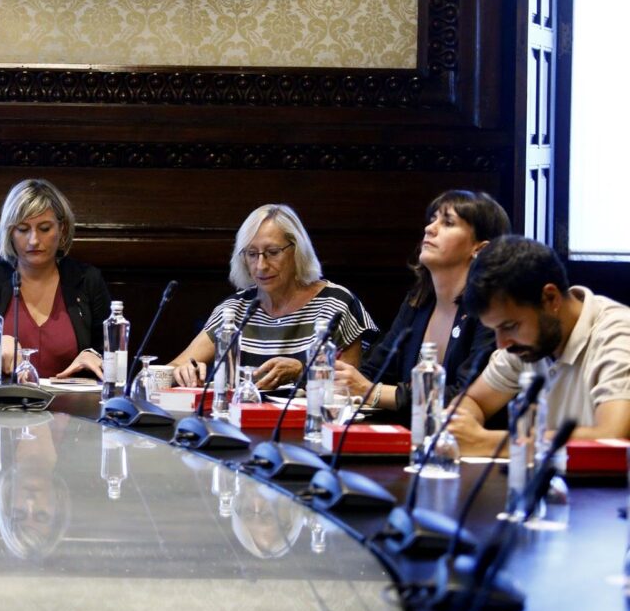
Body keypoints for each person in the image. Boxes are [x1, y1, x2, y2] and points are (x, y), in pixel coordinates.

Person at [447, 235, 630, 456]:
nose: (501, 343)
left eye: (509, 326)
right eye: (495, 329)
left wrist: (486, 442)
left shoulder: (618, 334)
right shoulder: (526, 342)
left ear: (551, 298)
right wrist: (460, 425)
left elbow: (613, 437)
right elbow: (473, 400)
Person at [334, 190, 511, 415]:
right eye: (432, 219)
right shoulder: (418, 302)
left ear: (480, 249)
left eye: (447, 222)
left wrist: (373, 392)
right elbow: (374, 371)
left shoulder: (492, 312)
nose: (430, 228)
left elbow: (466, 396)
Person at [169, 204, 378, 390]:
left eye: (273, 252)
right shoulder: (234, 309)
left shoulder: (335, 303)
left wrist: (301, 371)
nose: (261, 265)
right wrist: (183, 371)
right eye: (252, 254)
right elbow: (173, 368)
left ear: (297, 251)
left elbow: (353, 387)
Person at [0, 179, 111, 379]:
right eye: (23, 229)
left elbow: (111, 352)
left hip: (71, 406)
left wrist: (92, 355)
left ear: (63, 229)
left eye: (44, 228)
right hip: (0, 404)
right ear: (10, 232)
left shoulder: (87, 279)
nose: (34, 240)